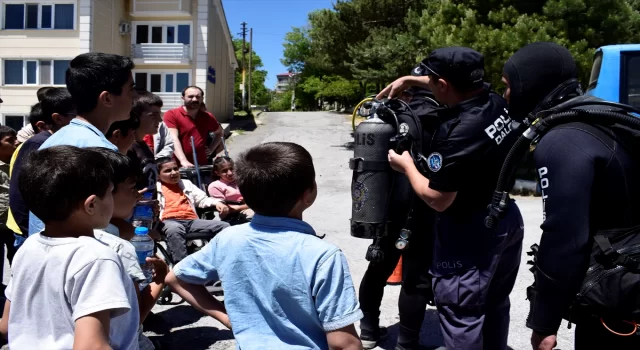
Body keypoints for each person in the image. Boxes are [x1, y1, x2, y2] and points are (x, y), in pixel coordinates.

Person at [376, 46, 525, 350]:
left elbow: (437, 197)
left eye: (430, 81)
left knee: (462, 314)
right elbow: (449, 85)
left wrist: (406, 166)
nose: (428, 85)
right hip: (505, 218)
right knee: (495, 302)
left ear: (443, 85)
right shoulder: (496, 102)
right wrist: (409, 79)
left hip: (469, 232)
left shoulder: (455, 132)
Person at [501, 42, 640, 350]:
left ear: (529, 86)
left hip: (616, 310)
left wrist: (544, 322)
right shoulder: (607, 119)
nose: (506, 96)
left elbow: (564, 238)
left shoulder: (562, 140)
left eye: (508, 87)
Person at [165, 142, 364, 349]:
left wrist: (228, 319)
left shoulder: (228, 238)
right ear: (308, 194)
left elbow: (176, 279)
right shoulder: (323, 256)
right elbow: (344, 344)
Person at [0, 146, 139, 349]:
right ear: (91, 205)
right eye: (109, 192)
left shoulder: (29, 247)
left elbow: (6, 325)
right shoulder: (97, 257)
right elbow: (92, 346)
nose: (111, 198)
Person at [358, 79, 440, 349]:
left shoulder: (391, 115)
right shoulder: (444, 117)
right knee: (415, 277)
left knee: (378, 267)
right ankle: (407, 342)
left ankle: (368, 331)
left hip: (387, 205)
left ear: (409, 94)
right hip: (425, 206)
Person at [28, 52, 136, 236]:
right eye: (130, 89)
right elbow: (100, 222)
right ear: (107, 98)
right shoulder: (99, 150)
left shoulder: (57, 137)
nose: (135, 97)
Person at [89, 147, 168, 350]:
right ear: (104, 194)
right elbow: (135, 317)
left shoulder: (43, 241)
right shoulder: (119, 248)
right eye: (132, 188)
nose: (137, 196)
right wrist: (160, 278)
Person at [8, 88, 76, 249]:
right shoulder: (39, 143)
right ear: (58, 118)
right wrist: (28, 230)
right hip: (32, 233)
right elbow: (21, 189)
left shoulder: (60, 140)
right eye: (75, 116)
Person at [156, 157, 230, 264]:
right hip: (168, 221)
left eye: (175, 169)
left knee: (224, 226)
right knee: (174, 229)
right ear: (158, 175)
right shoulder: (156, 188)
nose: (173, 172)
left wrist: (217, 203)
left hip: (191, 221)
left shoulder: (186, 184)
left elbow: (202, 199)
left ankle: (222, 260)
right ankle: (182, 267)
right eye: (168, 171)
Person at [163, 86, 223, 168]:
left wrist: (211, 149)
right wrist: (183, 160)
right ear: (183, 98)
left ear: (202, 98)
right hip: (179, 167)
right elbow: (173, 138)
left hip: (202, 165)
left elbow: (219, 133)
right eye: (190, 96)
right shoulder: (172, 114)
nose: (194, 99)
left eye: (198, 97)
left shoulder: (207, 117)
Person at [208, 156, 254, 222]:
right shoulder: (215, 186)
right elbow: (226, 209)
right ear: (217, 173)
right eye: (224, 171)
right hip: (233, 216)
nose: (230, 173)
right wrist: (245, 206)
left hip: (250, 207)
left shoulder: (241, 180)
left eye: (231, 169)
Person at [0, 126, 17, 292]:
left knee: (17, 259)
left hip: (12, 223)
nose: (15, 143)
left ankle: (16, 291)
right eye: (9, 141)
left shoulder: (16, 163)